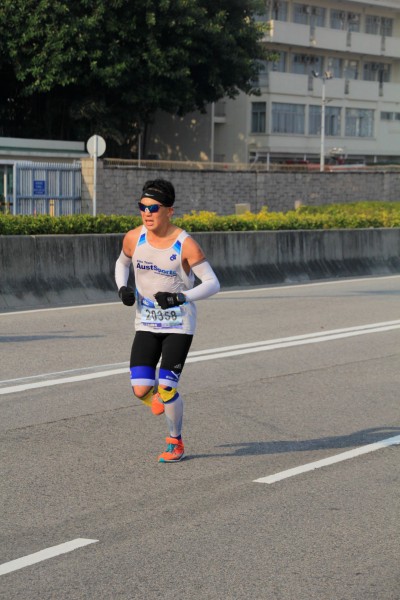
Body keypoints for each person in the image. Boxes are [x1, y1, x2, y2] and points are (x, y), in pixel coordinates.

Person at [115, 179, 220, 462]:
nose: (147, 213)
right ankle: (157, 397)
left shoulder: (186, 245)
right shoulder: (133, 238)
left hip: (179, 325)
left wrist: (180, 297)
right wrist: (122, 288)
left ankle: (175, 442)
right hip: (146, 322)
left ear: (169, 211)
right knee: (140, 389)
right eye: (142, 207)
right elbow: (122, 263)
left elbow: (213, 283)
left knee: (167, 386)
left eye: (154, 208)